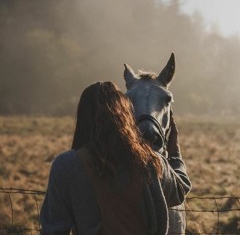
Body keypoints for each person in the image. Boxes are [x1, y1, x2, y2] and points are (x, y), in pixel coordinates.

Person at [40, 81, 191, 235]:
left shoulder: (67, 165)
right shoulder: (151, 161)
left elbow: (53, 229)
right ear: (127, 116)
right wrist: (174, 151)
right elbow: (180, 190)